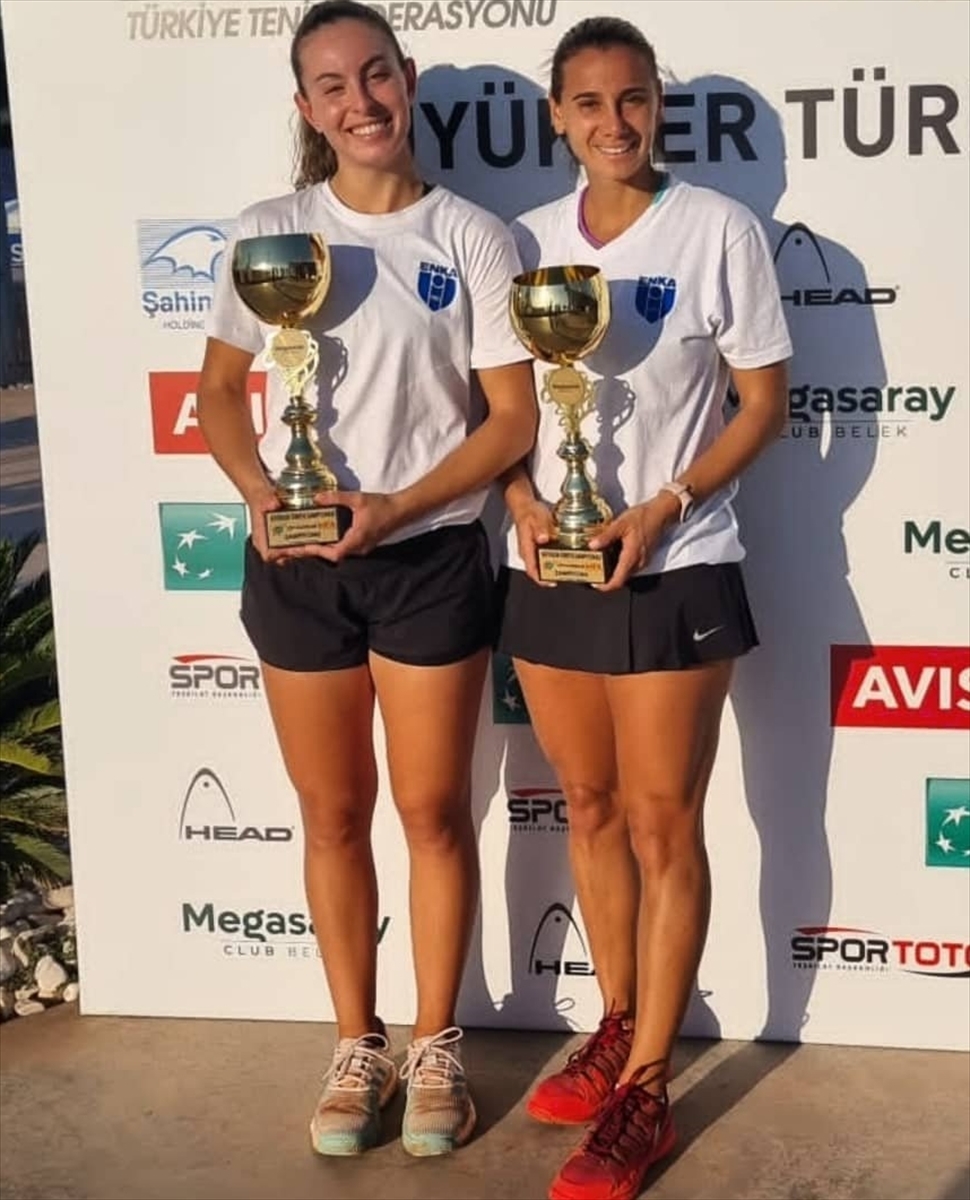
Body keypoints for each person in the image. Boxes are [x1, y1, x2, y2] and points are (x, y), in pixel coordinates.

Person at [197, 0, 536, 1161]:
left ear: (409, 77)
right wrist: (259, 492)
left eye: (377, 75)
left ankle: (437, 1046)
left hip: (428, 557)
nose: (361, 101)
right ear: (307, 108)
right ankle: (357, 1044)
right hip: (295, 567)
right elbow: (218, 393)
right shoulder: (270, 232)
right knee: (333, 815)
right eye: (334, 86)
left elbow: (511, 421)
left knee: (432, 813)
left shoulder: (472, 236)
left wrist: (395, 506)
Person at [498, 16, 792, 1200]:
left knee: (665, 821)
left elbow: (763, 403)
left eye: (632, 99)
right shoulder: (526, 241)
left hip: (679, 563)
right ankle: (617, 1021)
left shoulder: (718, 227)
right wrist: (521, 497)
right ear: (556, 116)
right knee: (589, 804)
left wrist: (666, 505)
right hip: (552, 570)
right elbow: (501, 409)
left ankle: (651, 1087)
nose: (612, 121)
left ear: (656, 106)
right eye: (588, 102)